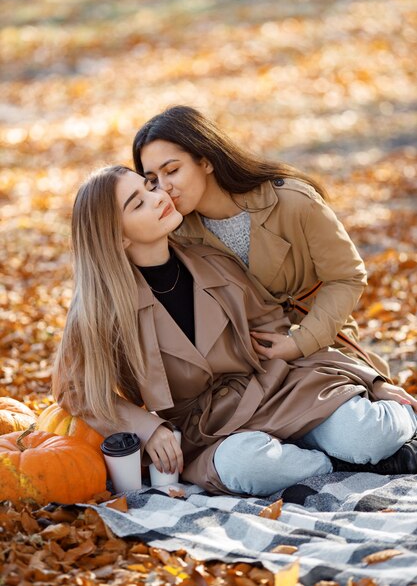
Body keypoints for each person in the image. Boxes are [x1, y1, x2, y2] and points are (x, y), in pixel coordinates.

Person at [53, 166, 417, 498]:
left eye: (150, 187)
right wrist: (148, 427)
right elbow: (74, 388)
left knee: (372, 434)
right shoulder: (99, 308)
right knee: (247, 467)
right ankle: (332, 461)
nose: (159, 196)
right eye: (139, 204)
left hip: (278, 389)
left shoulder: (215, 261)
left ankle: (393, 428)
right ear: (116, 238)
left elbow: (281, 339)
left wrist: (373, 381)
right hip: (209, 430)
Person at [132, 105, 388, 377]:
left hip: (319, 340)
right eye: (152, 180)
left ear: (205, 161)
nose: (164, 188)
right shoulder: (177, 233)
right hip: (242, 364)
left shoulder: (293, 202)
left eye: (171, 171)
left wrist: (300, 342)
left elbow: (346, 277)